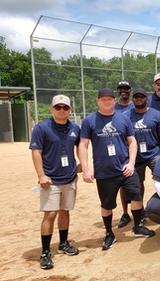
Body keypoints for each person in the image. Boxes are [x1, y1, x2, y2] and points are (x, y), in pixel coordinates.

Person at [78, 87, 155, 251]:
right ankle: (109, 233)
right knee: (106, 205)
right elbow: (83, 145)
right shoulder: (90, 120)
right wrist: (85, 169)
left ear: (114, 101)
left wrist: (131, 163)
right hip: (104, 170)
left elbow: (132, 142)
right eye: (103, 99)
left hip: (125, 167)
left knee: (136, 196)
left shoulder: (123, 119)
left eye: (110, 99)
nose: (107, 101)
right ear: (98, 101)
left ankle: (137, 227)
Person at [30, 94, 81, 269]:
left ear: (70, 110)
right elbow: (36, 152)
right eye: (58, 107)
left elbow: (81, 146)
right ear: (51, 109)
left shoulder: (75, 128)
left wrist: (83, 166)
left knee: (65, 211)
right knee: (50, 214)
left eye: (65, 108)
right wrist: (41, 175)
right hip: (51, 180)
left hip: (69, 177)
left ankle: (63, 243)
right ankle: (45, 252)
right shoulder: (42, 128)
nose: (61, 111)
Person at [117, 88, 160, 228]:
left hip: (153, 153)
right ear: (133, 99)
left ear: (147, 99)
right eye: (136, 97)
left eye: (142, 97)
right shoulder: (126, 116)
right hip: (135, 157)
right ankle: (133, 213)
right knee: (133, 186)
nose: (139, 99)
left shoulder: (156, 115)